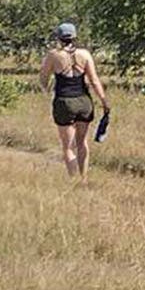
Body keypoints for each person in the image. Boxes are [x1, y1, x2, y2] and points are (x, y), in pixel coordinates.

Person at [40, 21, 107, 179]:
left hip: (64, 101)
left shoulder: (54, 55)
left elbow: (43, 78)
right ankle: (83, 178)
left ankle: (73, 179)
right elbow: (94, 80)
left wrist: (47, 89)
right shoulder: (85, 54)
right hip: (84, 101)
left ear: (59, 38)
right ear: (75, 37)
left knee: (68, 147)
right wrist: (104, 102)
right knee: (82, 142)